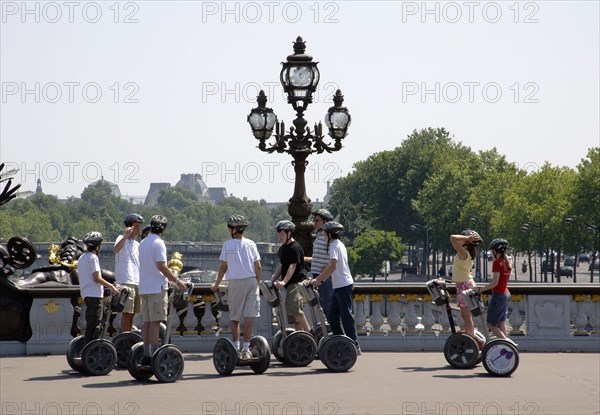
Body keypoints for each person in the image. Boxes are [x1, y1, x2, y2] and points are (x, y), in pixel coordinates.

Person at [211, 215, 262, 360]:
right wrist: (257, 283)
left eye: (229, 228)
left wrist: (215, 284)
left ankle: (235, 348)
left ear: (234, 230)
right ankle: (246, 349)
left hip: (236, 283)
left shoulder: (227, 244)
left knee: (234, 318)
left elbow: (223, 267)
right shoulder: (251, 244)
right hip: (251, 281)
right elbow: (258, 266)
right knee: (249, 319)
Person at [138, 215, 186, 365]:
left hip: (144, 287)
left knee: (146, 322)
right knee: (155, 323)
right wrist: (176, 280)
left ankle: (146, 354)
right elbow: (162, 266)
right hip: (156, 287)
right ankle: (154, 354)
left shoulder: (143, 242)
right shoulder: (158, 243)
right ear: (163, 230)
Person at [311, 221, 361, 355]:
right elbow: (333, 265)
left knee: (345, 316)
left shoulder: (333, 246)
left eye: (324, 234)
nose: (323, 236)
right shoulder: (340, 244)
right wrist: (323, 272)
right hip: (339, 285)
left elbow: (333, 266)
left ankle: (353, 344)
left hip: (343, 286)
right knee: (333, 316)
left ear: (329, 234)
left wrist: (318, 280)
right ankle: (341, 341)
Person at [77, 231, 119, 344]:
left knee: (90, 324)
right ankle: (91, 349)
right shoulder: (93, 258)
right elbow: (97, 278)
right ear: (97, 246)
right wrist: (112, 287)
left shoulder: (82, 258)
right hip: (95, 295)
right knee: (96, 325)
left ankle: (87, 347)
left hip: (86, 294)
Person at [272, 220, 311, 332]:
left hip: (296, 283)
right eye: (279, 233)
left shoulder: (295, 248)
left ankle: (309, 332)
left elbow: (292, 266)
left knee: (295, 308)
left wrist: (283, 281)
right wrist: (273, 279)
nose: (280, 236)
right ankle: (300, 335)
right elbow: (282, 265)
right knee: (293, 318)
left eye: (282, 233)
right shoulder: (283, 248)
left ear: (289, 234)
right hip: (289, 284)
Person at [113, 213, 144, 333]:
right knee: (127, 313)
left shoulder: (138, 245)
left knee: (133, 314)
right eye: (137, 226)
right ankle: (124, 337)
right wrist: (126, 235)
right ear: (130, 227)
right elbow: (116, 249)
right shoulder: (121, 238)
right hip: (126, 281)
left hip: (137, 281)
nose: (139, 229)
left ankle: (128, 335)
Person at [449, 229, 482, 338]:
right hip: (462, 284)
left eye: (462, 238)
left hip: (464, 285)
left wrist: (468, 238)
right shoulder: (465, 253)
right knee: (465, 316)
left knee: (466, 317)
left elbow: (452, 238)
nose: (460, 240)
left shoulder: (463, 253)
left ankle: (470, 337)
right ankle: (469, 334)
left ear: (467, 242)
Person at [478, 238, 512, 340]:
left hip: (499, 295)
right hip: (506, 294)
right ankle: (507, 347)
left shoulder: (497, 263)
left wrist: (481, 290)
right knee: (501, 322)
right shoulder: (507, 262)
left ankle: (505, 343)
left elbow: (495, 282)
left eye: (492, 250)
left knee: (490, 324)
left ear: (495, 250)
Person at [305, 209, 334, 318]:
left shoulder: (328, 238)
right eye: (314, 220)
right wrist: (304, 259)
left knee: (328, 305)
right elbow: (317, 258)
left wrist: (326, 268)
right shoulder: (319, 237)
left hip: (325, 277)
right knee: (323, 305)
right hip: (317, 276)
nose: (314, 222)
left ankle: (335, 331)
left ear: (325, 222)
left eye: (317, 220)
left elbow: (334, 258)